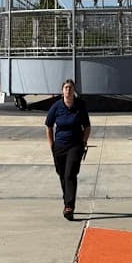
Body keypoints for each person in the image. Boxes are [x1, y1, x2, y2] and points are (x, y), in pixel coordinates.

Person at [44, 78, 91, 219]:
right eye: (66, 88)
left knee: (70, 174)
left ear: (74, 90)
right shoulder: (56, 107)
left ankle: (69, 206)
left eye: (70, 87)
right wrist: (51, 145)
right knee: (62, 175)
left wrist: (83, 142)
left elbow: (87, 127)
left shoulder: (80, 106)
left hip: (75, 145)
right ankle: (67, 200)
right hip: (59, 146)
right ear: (62, 91)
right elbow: (48, 126)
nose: (68, 90)